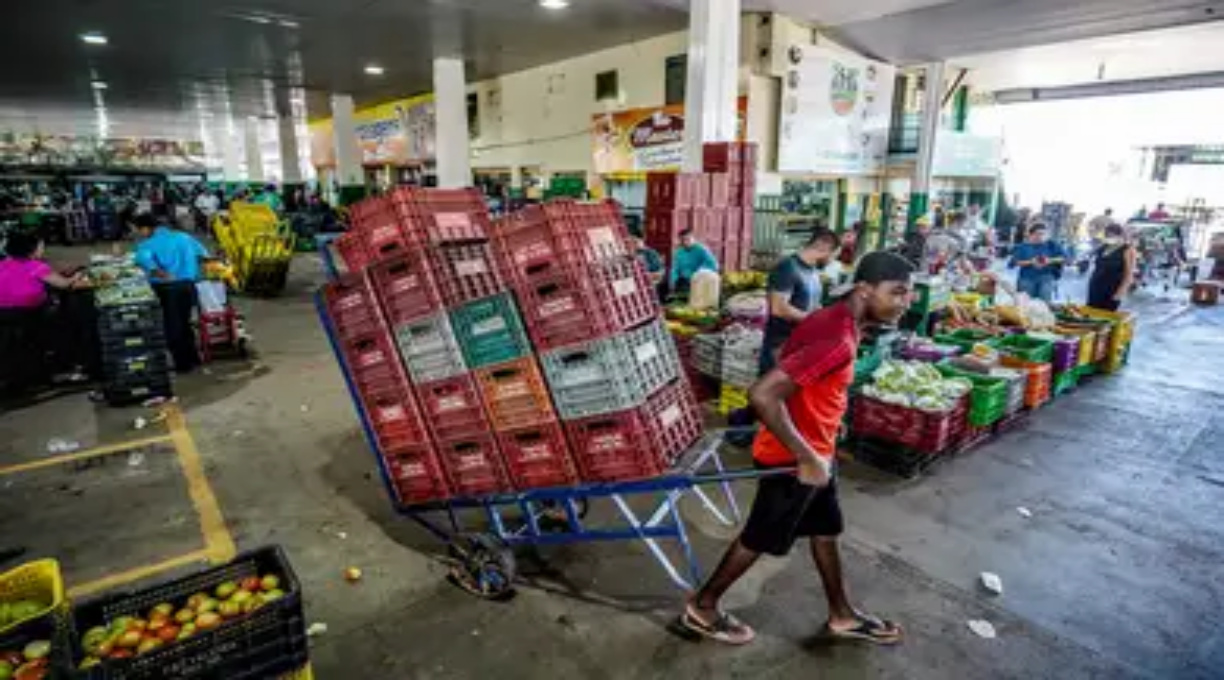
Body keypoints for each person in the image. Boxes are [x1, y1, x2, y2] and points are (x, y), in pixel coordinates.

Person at [681, 251, 913, 646]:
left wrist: (819, 430)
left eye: (908, 294)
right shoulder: (837, 338)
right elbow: (763, 394)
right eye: (898, 292)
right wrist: (806, 456)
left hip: (815, 454)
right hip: (793, 460)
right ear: (865, 289)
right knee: (757, 539)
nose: (906, 302)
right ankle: (702, 607)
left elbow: (782, 358)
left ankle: (841, 614)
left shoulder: (834, 318)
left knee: (826, 530)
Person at [132, 213, 208, 373]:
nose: (138, 234)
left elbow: (151, 267)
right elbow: (203, 255)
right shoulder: (184, 237)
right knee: (185, 323)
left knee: (172, 327)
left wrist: (164, 273)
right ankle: (194, 358)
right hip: (188, 286)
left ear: (146, 228)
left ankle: (183, 365)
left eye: (138, 230)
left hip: (167, 290)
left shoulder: (146, 245)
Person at [760, 228, 838, 375]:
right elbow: (778, 308)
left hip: (800, 344)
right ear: (824, 248)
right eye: (833, 255)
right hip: (780, 346)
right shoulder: (787, 268)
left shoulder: (813, 270)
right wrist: (813, 318)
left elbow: (813, 304)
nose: (833, 260)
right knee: (771, 391)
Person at [1087, 224, 1136, 311]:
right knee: (1091, 315)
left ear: (1120, 235)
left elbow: (1129, 274)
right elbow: (1092, 257)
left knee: (1105, 318)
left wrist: (1120, 293)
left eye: (1112, 235)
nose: (1109, 237)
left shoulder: (1127, 250)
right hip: (1095, 286)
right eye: (1107, 235)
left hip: (1112, 289)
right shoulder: (1103, 247)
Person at [1009, 223, 1064, 302]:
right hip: (1027, 280)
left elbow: (1064, 258)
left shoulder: (1052, 245)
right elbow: (1015, 262)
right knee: (1025, 305)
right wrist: (1031, 262)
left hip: (1046, 279)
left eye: (1043, 234)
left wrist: (1049, 260)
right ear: (1031, 234)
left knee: (1045, 304)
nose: (1041, 236)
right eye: (1038, 234)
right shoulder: (1022, 247)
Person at [668, 229, 719, 297]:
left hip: (698, 280)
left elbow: (713, 265)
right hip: (683, 279)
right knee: (664, 285)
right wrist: (672, 281)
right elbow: (675, 268)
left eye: (687, 239)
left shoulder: (702, 249)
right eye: (682, 240)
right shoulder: (679, 252)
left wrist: (697, 273)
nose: (685, 242)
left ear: (693, 239)